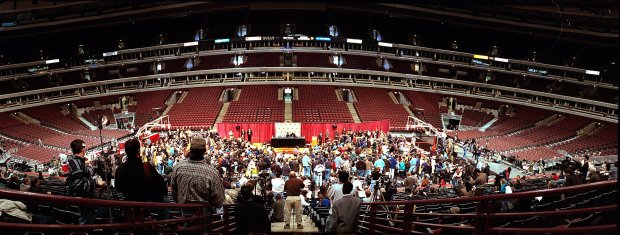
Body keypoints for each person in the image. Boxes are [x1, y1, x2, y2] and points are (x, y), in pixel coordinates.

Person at [170, 136, 225, 218]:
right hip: (204, 218)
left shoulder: (178, 167)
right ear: (204, 151)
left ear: (190, 150)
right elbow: (219, 202)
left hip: (184, 214)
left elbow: (174, 192)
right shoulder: (212, 172)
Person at [66, 139, 104, 224]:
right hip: (84, 199)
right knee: (86, 223)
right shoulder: (77, 163)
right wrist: (96, 183)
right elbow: (78, 184)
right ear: (83, 149)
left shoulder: (76, 162)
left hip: (84, 199)